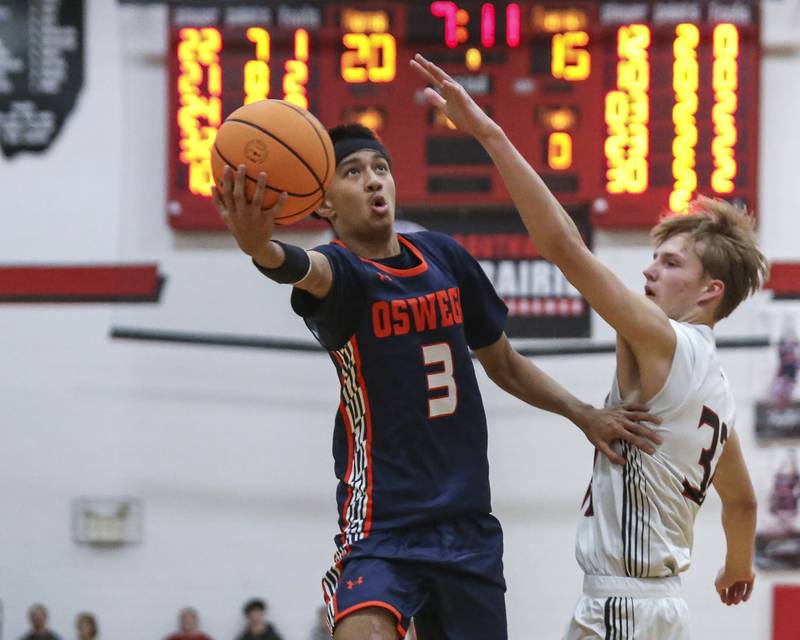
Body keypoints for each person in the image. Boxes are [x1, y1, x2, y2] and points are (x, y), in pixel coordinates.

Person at [213, 116, 662, 638]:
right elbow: (300, 267)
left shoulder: (444, 256)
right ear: (325, 204)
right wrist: (260, 248)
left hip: (467, 522)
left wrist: (583, 414)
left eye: (381, 168)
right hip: (383, 522)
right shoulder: (343, 274)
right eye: (354, 173)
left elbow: (505, 364)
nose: (375, 180)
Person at [408, 53, 766, 638]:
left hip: (624, 605)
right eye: (653, 258)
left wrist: (490, 134)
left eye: (669, 263)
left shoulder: (665, 342)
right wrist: (738, 567)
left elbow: (565, 249)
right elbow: (743, 502)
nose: (650, 272)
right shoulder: (716, 393)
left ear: (710, 291)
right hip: (658, 607)